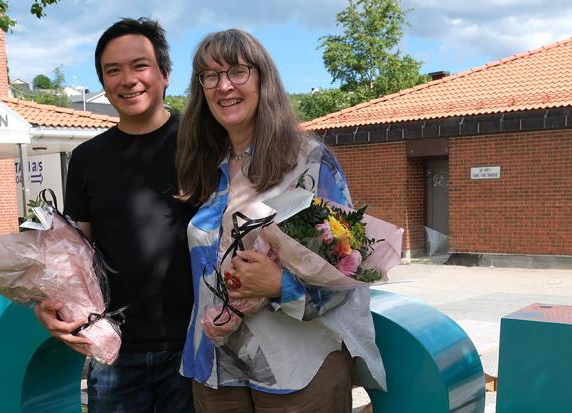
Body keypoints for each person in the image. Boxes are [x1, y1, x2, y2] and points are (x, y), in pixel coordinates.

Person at [175, 29, 385, 412]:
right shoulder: (204, 166)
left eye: (237, 71)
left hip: (297, 368)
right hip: (215, 367)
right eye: (210, 76)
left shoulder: (309, 162)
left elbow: (354, 268)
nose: (224, 86)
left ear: (262, 79)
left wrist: (280, 286)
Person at [33, 17, 195, 413]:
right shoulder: (87, 158)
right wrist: (47, 298)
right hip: (116, 351)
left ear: (165, 74)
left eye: (140, 66)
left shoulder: (201, 145)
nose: (128, 79)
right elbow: (74, 252)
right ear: (103, 83)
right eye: (113, 70)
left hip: (197, 348)